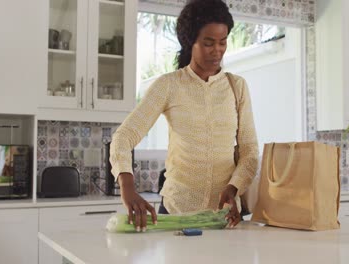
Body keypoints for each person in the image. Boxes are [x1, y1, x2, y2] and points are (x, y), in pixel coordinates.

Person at [109, 0, 259, 232]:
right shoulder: (168, 85)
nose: (217, 50)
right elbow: (124, 137)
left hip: (224, 217)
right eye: (208, 43)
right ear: (190, 42)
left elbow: (249, 153)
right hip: (176, 214)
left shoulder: (236, 87)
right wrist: (127, 187)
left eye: (222, 42)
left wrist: (233, 188)